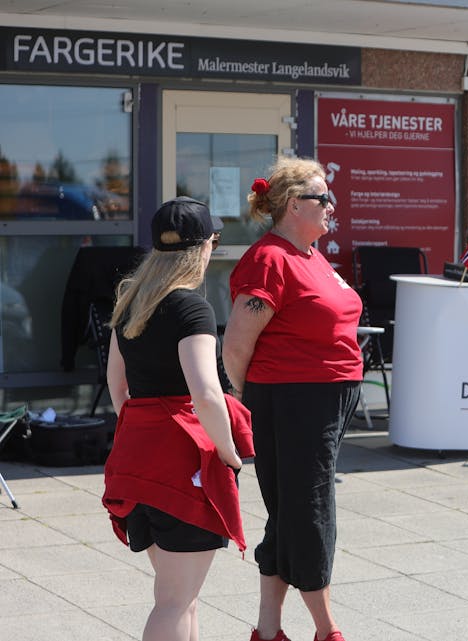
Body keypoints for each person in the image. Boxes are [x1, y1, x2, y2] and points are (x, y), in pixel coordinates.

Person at [222, 157, 362, 641]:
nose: (331, 206)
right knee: (310, 513)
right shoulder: (270, 258)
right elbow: (236, 345)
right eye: (322, 198)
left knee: (290, 513)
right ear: (290, 205)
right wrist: (247, 401)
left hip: (321, 401)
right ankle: (328, 630)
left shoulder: (309, 254)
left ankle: (267, 630)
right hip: (293, 402)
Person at [102, 197, 251, 641]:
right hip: (181, 464)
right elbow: (206, 394)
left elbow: (118, 388)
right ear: (203, 247)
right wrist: (230, 454)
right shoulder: (191, 308)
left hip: (137, 460)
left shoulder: (130, 303)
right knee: (175, 600)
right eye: (214, 240)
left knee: (180, 597)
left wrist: (142, 434)